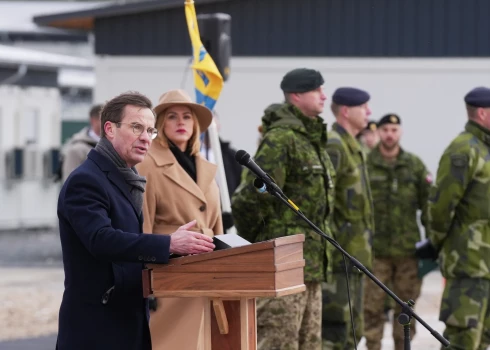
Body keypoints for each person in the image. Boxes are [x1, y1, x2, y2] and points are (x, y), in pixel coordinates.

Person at [56, 91, 215, 350]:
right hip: (98, 326)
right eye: (136, 127)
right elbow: (101, 239)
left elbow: (131, 243)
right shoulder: (86, 180)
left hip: (127, 318)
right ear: (109, 129)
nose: (145, 137)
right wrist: (168, 244)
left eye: (150, 130)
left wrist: (179, 249)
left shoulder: (126, 177)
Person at [232, 68, 335, 350]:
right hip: (284, 263)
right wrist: (265, 244)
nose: (324, 95)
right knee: (278, 342)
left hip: (311, 266)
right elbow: (248, 199)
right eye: (317, 90)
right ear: (296, 95)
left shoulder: (312, 140)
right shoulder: (281, 139)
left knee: (309, 344)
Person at [136, 89, 223, 350]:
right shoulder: (148, 164)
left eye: (187, 116)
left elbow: (215, 224)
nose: (181, 122)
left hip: (208, 274)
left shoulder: (205, 165)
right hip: (170, 275)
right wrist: (145, 280)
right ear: (160, 125)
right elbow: (144, 225)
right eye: (172, 117)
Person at [420, 87, 490, 350]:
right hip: (468, 263)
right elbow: (440, 208)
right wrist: (443, 245)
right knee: (463, 338)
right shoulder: (463, 150)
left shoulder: (485, 148)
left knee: (482, 338)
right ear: (482, 113)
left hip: (486, 265)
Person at [363, 114, 431, 350]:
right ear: (379, 132)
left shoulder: (414, 165)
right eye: (385, 130)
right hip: (375, 253)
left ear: (400, 132)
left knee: (405, 310)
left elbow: (428, 205)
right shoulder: (365, 164)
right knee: (371, 310)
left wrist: (432, 244)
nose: (390, 134)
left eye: (394, 129)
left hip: (407, 253)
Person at [322, 87, 374, 350]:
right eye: (364, 107)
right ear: (345, 111)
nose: (369, 112)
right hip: (339, 259)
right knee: (335, 332)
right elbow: (323, 205)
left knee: (354, 331)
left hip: (354, 258)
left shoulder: (354, 145)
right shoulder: (334, 145)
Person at [60, 104, 103, 182]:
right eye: (104, 120)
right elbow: (69, 181)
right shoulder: (77, 149)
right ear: (93, 120)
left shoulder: (112, 146)